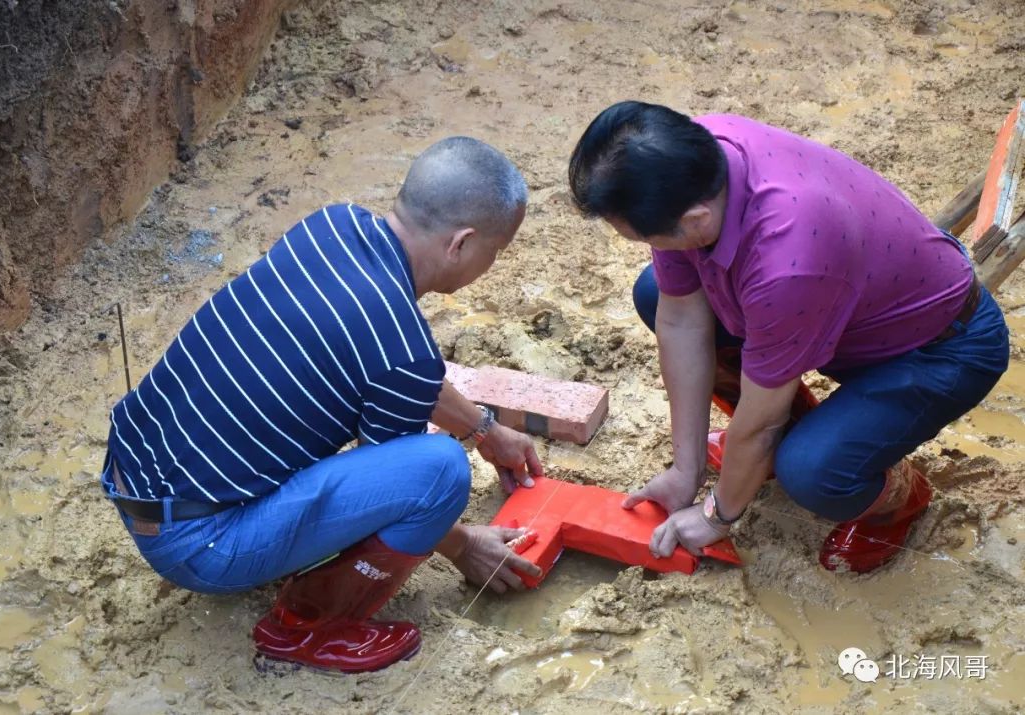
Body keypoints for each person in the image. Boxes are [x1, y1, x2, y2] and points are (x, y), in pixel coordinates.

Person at [100, 136, 545, 674]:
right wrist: (463, 545)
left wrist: (483, 428)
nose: (491, 266)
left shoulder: (333, 226)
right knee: (441, 472)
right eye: (496, 252)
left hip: (135, 479)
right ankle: (309, 627)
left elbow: (396, 370)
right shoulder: (402, 351)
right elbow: (403, 488)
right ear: (462, 244)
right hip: (198, 545)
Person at [568, 101, 1008, 573]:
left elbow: (759, 423)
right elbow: (680, 320)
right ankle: (790, 443)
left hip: (938, 349)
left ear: (695, 220)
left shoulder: (788, 259)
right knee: (656, 293)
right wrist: (686, 469)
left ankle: (897, 502)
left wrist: (719, 514)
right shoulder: (692, 163)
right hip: (839, 316)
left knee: (812, 472)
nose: (642, 244)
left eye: (638, 235)